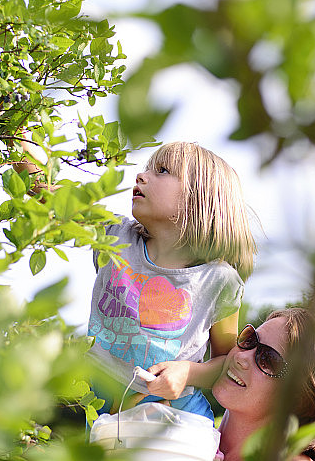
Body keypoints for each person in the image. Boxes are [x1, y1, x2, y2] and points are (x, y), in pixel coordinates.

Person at [87, 141, 257, 420]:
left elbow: (226, 361)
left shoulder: (220, 281)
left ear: (198, 198)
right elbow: (49, 197)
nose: (141, 176)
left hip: (176, 411)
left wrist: (188, 372)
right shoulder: (114, 236)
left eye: (162, 171)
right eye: (147, 169)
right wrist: (18, 133)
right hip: (102, 404)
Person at [212, 308, 315, 461]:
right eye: (250, 339)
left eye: (268, 359)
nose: (241, 356)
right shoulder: (199, 437)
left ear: (299, 399)